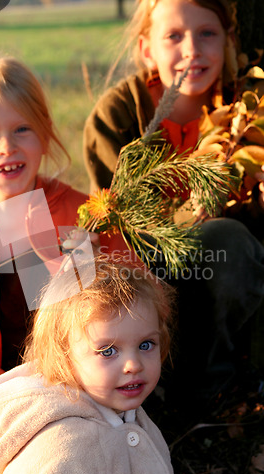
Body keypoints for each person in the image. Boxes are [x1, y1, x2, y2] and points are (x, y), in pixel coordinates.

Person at [0, 55, 126, 474]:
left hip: (82, 402)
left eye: (22, 129)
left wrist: (97, 279)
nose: (7, 147)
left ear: (44, 134)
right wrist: (23, 402)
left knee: (78, 458)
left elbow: (133, 321)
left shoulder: (85, 219)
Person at [83, 0, 264, 420]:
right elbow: (115, 220)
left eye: (207, 33)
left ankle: (209, 391)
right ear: (147, 49)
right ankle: (149, 385)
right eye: (174, 36)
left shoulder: (249, 110)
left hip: (226, 276)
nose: (192, 50)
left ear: (230, 41)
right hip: (143, 267)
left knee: (227, 242)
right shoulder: (120, 115)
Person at [0, 256, 176, 474]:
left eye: (146, 344)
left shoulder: (129, 417)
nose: (133, 365)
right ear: (64, 356)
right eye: (108, 351)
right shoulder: (65, 451)